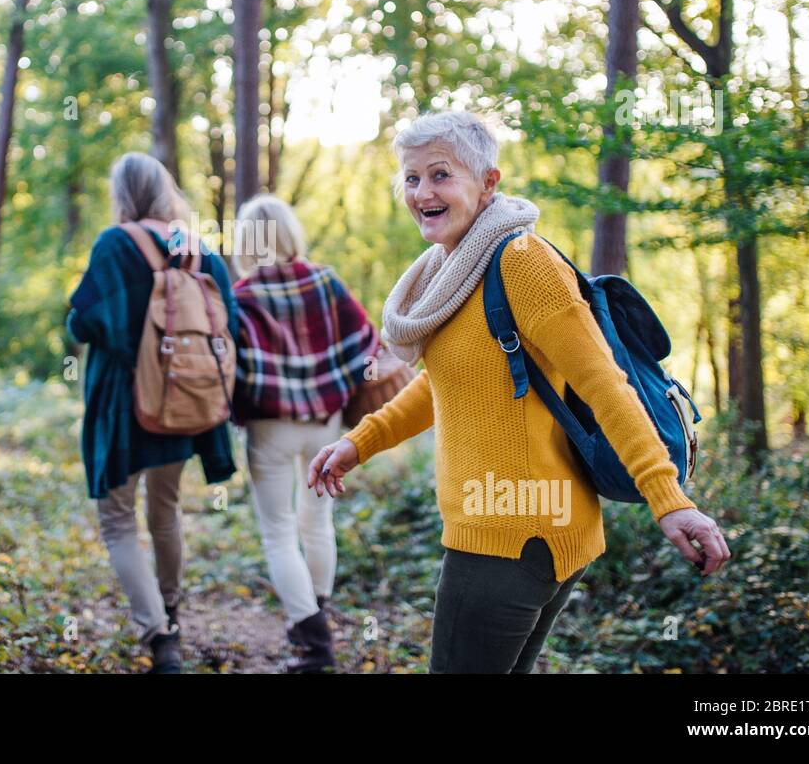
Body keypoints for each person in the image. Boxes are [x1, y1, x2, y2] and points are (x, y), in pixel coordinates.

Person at [307, 110, 732, 673]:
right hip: (522, 530)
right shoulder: (453, 269)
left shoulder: (522, 263)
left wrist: (669, 501)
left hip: (507, 536)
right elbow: (449, 382)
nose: (421, 192)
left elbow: (607, 386)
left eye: (440, 175)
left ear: (488, 183)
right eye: (411, 178)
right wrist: (361, 442)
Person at [66, 152, 241, 673]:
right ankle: (171, 609)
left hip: (125, 404)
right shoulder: (199, 249)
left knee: (118, 519)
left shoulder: (115, 244)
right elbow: (228, 319)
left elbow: (85, 321)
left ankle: (158, 636)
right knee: (165, 511)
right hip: (185, 403)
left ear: (122, 194)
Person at [231, 194, 378, 673]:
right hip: (325, 424)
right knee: (317, 523)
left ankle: (313, 644)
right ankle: (316, 616)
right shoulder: (326, 282)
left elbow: (232, 368)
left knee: (278, 532)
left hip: (270, 426)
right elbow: (366, 346)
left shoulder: (244, 296)